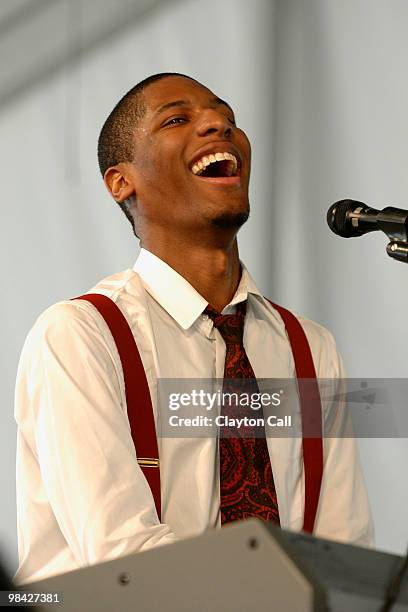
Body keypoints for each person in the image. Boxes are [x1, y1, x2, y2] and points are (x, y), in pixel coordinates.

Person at [14, 72, 373, 585]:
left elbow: (344, 555)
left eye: (227, 118)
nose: (218, 126)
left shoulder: (311, 348)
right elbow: (124, 560)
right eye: (178, 119)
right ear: (121, 182)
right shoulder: (80, 336)